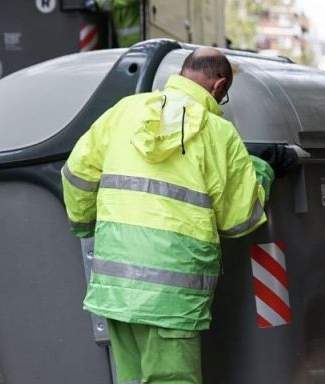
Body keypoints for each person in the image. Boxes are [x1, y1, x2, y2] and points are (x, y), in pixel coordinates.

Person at [62, 47, 276, 384]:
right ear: (219, 86)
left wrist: (86, 224)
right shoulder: (218, 133)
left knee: (132, 378)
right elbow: (239, 220)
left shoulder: (124, 112)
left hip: (117, 285)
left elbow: (76, 173)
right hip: (173, 297)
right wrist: (261, 173)